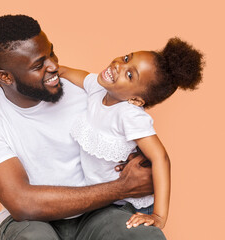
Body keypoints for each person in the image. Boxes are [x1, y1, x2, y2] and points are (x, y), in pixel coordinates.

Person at [0, 14, 166, 240]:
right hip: (30, 221)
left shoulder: (88, 91)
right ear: (4, 77)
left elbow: (132, 128)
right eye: (39, 65)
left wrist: (136, 160)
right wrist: (122, 187)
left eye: (51, 53)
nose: (54, 66)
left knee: (142, 236)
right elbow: (21, 202)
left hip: (99, 211)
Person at [53, 37, 204, 229]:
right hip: (101, 200)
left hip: (128, 205)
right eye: (126, 58)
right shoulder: (97, 88)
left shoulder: (129, 114)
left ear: (137, 100)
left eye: (130, 75)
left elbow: (160, 157)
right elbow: (65, 71)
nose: (119, 66)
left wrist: (159, 215)